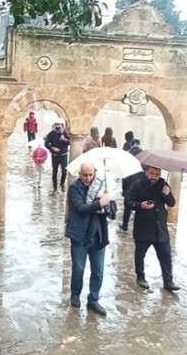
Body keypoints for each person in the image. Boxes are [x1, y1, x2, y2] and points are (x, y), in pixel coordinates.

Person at [65, 162, 111, 316]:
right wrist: (98, 204)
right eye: (85, 175)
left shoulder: (103, 187)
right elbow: (80, 208)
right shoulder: (74, 188)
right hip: (80, 234)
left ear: (95, 172)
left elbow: (112, 209)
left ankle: (93, 299)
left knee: (98, 271)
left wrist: (105, 207)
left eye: (91, 174)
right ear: (79, 174)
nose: (88, 178)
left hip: (98, 234)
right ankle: (75, 294)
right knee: (78, 269)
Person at [126, 166, 181, 291]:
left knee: (166, 255)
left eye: (157, 174)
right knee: (140, 255)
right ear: (146, 173)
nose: (154, 177)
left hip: (160, 228)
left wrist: (167, 194)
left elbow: (171, 203)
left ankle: (168, 281)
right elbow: (128, 202)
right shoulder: (138, 185)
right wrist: (141, 205)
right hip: (143, 226)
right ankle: (140, 276)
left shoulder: (163, 185)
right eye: (151, 174)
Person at [120, 139, 144, 232]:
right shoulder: (145, 157)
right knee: (140, 207)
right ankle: (139, 228)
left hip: (130, 185)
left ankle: (125, 225)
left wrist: (124, 191)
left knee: (128, 207)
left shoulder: (128, 156)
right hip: (141, 185)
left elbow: (124, 175)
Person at [44, 118, 70, 193]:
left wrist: (64, 140)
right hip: (55, 156)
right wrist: (52, 148)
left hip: (63, 155)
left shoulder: (65, 133)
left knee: (64, 171)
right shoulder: (51, 133)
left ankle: (62, 184)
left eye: (58, 124)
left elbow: (70, 142)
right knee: (54, 171)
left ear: (61, 125)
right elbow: (46, 143)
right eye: (56, 124)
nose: (57, 126)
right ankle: (55, 187)